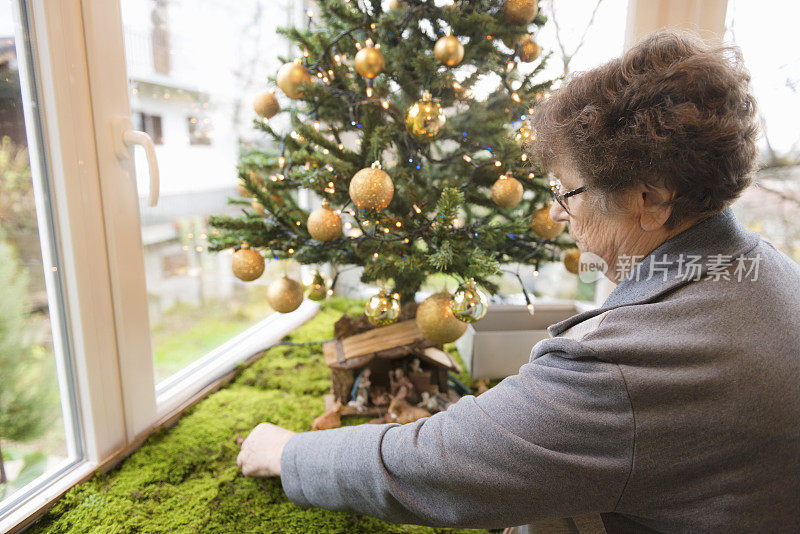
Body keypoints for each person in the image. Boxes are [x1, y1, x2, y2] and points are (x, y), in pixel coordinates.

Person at [236, 30, 800, 532]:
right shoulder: (772, 273)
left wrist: (290, 454)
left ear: (648, 200)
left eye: (566, 192)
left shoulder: (629, 364)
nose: (557, 214)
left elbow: (440, 465)